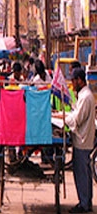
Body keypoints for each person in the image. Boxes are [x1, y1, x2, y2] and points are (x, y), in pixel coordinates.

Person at [61, 68, 96, 213]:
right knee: (84, 172)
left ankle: (84, 203)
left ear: (80, 80)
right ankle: (85, 201)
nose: (72, 83)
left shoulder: (86, 97)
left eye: (74, 80)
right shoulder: (83, 96)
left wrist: (63, 117)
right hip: (82, 139)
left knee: (82, 172)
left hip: (83, 140)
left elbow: (77, 119)